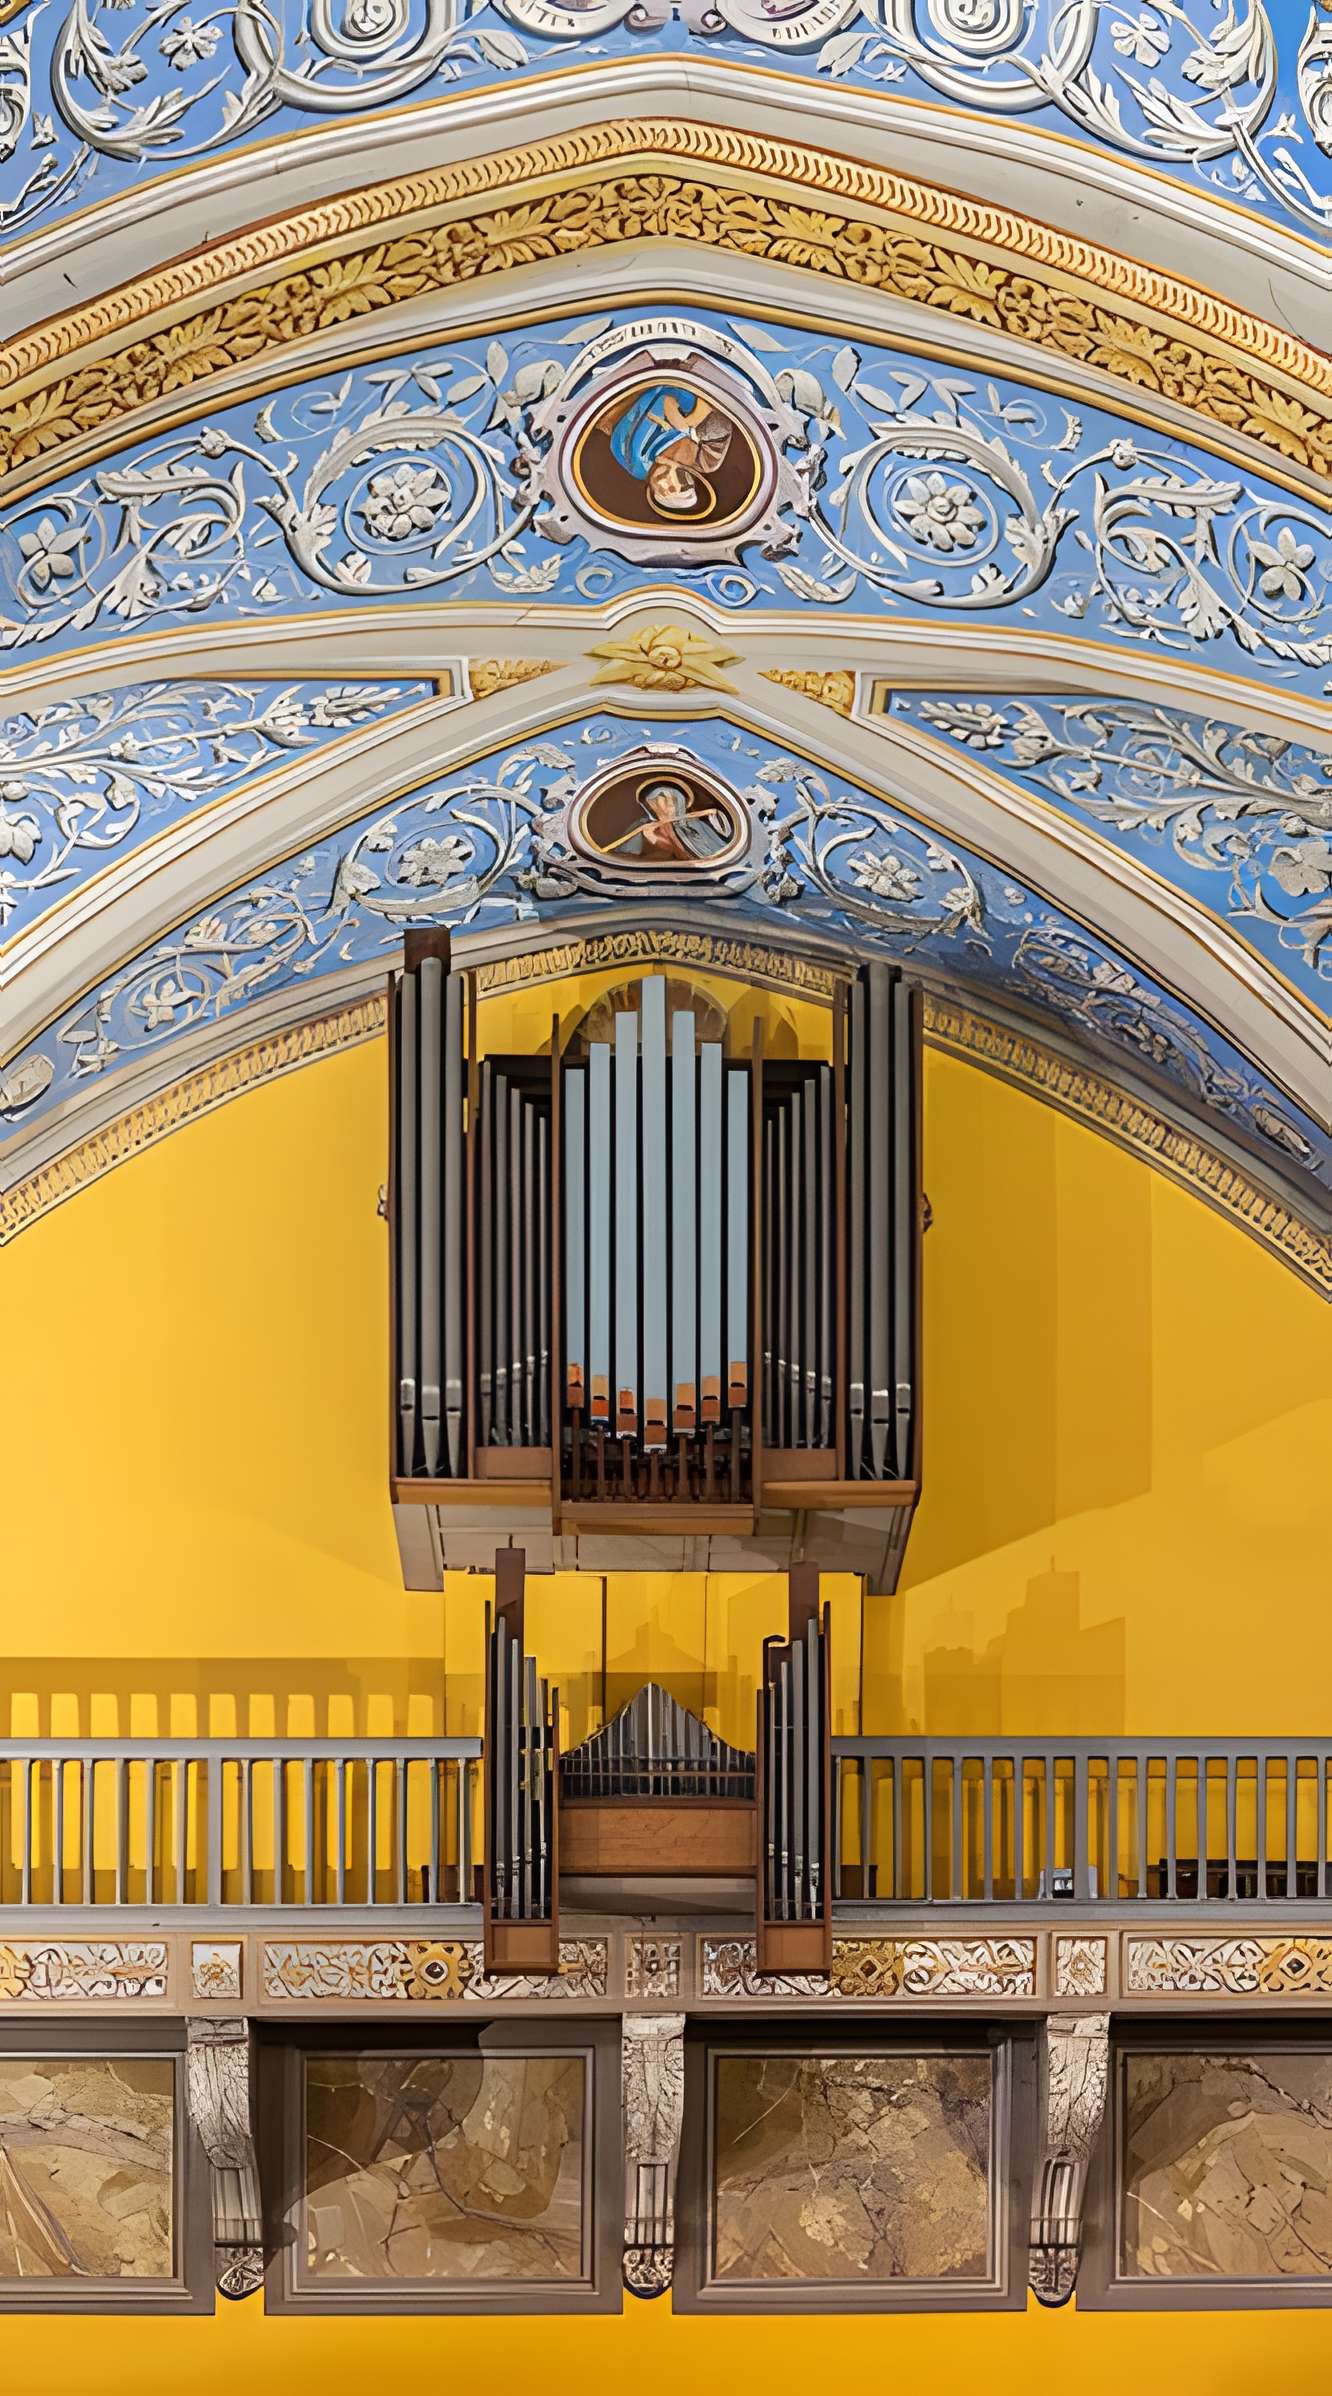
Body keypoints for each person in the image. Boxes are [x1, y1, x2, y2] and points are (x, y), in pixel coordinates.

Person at [606, 384, 735, 518]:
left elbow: (663, 402)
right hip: (684, 381)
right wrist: (686, 428)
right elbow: (708, 408)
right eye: (681, 486)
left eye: (664, 495)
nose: (667, 487)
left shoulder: (632, 462)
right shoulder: (706, 460)